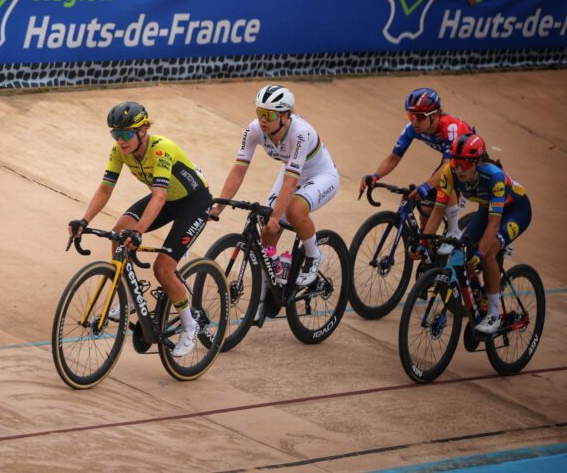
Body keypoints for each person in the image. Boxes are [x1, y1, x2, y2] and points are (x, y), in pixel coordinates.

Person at [69, 102, 212, 358]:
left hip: (194, 202)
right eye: (115, 134)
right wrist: (84, 220)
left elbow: (157, 196)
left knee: (163, 268)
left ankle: (189, 325)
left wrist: (140, 231)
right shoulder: (120, 151)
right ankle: (133, 300)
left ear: (143, 131)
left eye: (125, 134)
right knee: (118, 234)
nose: (120, 140)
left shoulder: (161, 150)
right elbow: (105, 188)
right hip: (167, 199)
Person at [208, 85, 340, 323]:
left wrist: (276, 217)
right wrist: (219, 206)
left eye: (268, 115)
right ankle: (271, 287)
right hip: (291, 172)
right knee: (267, 230)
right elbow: (238, 171)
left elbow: (290, 184)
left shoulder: (300, 133)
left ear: (285, 116)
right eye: (260, 112)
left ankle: (313, 255)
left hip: (321, 175)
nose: (262, 120)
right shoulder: (254, 129)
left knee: (294, 210)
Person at [420, 134, 531, 334]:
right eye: (455, 161)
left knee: (488, 252)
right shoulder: (449, 172)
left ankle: (494, 313)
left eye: (464, 163)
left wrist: (479, 255)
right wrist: (423, 244)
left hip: (516, 211)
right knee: (460, 253)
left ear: (477, 163)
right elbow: (438, 211)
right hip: (486, 209)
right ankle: (480, 297)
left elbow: (494, 224)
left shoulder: (494, 177)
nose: (459, 168)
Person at [360, 87, 474, 226]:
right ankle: (427, 246)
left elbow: (447, 166)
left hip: (469, 163)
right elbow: (394, 157)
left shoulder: (450, 128)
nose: (414, 121)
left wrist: (427, 186)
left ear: (435, 115)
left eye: (420, 117)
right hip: (451, 161)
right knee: (425, 210)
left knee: (444, 182)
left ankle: (453, 231)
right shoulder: (412, 129)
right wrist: (375, 176)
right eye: (411, 116)